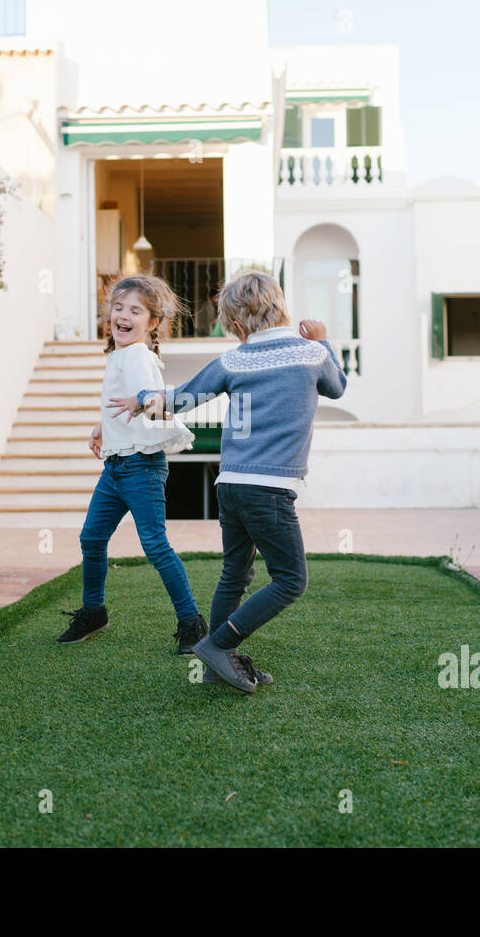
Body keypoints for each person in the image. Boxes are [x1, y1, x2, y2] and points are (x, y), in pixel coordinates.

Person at [108, 271, 347, 691]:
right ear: (283, 307)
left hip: (230, 485)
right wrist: (324, 339)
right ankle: (220, 645)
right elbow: (338, 387)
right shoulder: (311, 355)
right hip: (268, 489)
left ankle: (219, 661)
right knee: (292, 579)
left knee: (235, 574)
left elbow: (178, 400)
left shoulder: (232, 360)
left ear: (236, 327)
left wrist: (145, 399)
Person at [57, 274, 209, 655]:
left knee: (155, 546)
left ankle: (192, 624)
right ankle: (94, 612)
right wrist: (104, 425)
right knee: (92, 538)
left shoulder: (138, 355)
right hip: (115, 469)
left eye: (135, 311)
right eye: (118, 308)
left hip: (141, 468)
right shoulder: (122, 355)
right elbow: (125, 401)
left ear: (152, 322)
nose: (123, 316)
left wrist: (146, 403)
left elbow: (154, 401)